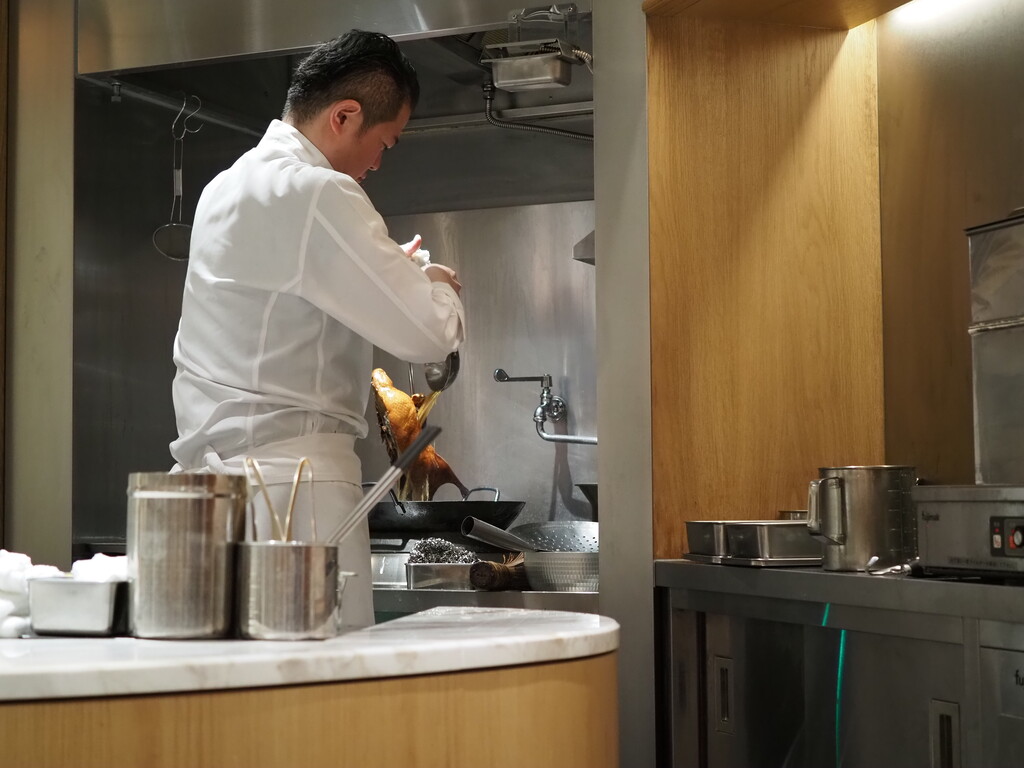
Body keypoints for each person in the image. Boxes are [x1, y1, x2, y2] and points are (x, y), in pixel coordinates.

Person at [169, 30, 465, 630]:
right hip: (295, 498)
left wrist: (387, 270)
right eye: (383, 143)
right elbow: (430, 333)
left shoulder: (223, 187)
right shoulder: (319, 190)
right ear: (344, 115)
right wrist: (434, 280)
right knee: (324, 679)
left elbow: (287, 308)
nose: (377, 163)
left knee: (235, 682)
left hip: (213, 501)